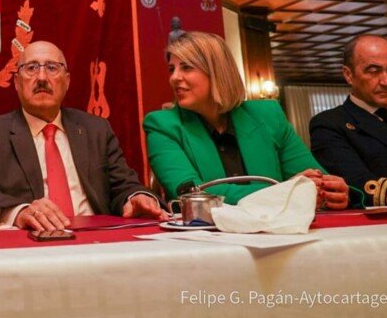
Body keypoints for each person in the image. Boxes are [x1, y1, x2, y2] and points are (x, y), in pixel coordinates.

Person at [0, 41, 166, 230]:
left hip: (97, 242)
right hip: (30, 245)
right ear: (17, 83)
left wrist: (137, 196)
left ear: (67, 82)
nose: (42, 78)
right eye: (31, 68)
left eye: (52, 68)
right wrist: (19, 212)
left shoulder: (97, 130)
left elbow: (124, 185)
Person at [144, 31, 349, 209]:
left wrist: (332, 192)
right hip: (207, 241)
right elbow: (193, 196)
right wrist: (284, 191)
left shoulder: (268, 114)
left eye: (186, 67)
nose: (174, 77)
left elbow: (313, 181)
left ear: (217, 72)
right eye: (172, 69)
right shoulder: (162, 125)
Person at [310, 35, 387, 207]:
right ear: (349, 75)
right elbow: (360, 186)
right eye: (374, 71)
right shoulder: (330, 124)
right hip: (374, 228)